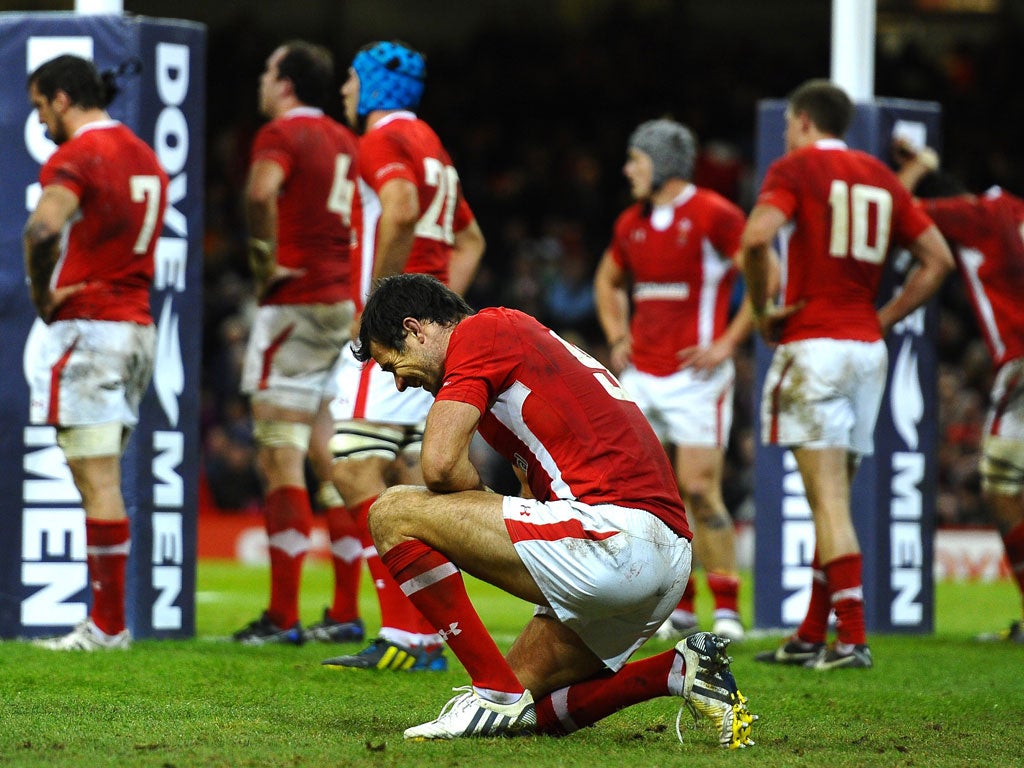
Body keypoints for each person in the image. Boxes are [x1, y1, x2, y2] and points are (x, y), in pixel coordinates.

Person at [350, 272, 756, 746]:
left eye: (391, 362)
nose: (399, 383)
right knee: (526, 713)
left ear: (417, 328)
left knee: (393, 510)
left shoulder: (481, 332)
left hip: (614, 538)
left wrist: (468, 503)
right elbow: (530, 491)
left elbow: (438, 467)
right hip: (666, 556)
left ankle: (491, 690)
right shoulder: (525, 349)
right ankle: (677, 669)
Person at [742, 79, 954, 670]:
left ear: (804, 120)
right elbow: (939, 259)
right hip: (866, 351)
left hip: (814, 347)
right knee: (831, 500)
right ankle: (812, 633)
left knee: (828, 501)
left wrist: (762, 310)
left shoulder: (794, 168)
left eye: (789, 122)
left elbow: (756, 237)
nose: (786, 132)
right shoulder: (881, 177)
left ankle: (852, 639)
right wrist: (882, 316)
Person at [323, 40, 485, 671]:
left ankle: (408, 635)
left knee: (354, 467)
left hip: (395, 332)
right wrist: (448, 315)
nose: (345, 90)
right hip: (430, 332)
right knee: (413, 478)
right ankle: (432, 634)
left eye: (351, 78)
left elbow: (400, 209)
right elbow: (470, 238)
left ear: (373, 86)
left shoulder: (381, 140)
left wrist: (380, 307)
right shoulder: (432, 146)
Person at [23, 55, 168, 650]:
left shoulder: (78, 154)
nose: (42, 122)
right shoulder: (144, 153)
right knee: (103, 478)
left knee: (96, 480)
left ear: (61, 98)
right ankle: (108, 623)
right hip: (136, 327)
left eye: (39, 107)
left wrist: (42, 293)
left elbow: (42, 228)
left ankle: (107, 627)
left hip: (90, 328)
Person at [594, 118, 752, 643]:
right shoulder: (630, 223)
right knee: (646, 494)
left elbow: (764, 273)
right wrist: (618, 336)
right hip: (643, 376)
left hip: (697, 378)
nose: (628, 170)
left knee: (701, 489)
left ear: (661, 163)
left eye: (636, 159)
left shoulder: (715, 214)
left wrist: (728, 342)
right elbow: (607, 280)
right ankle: (680, 606)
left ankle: (726, 608)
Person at [232, 40, 363, 646]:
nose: (260, 80)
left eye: (265, 69)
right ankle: (343, 611)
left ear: (285, 83)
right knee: (329, 460)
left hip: (295, 303)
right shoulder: (346, 140)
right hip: (342, 306)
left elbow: (261, 193)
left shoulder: (282, 134)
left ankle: (282, 616)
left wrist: (266, 262)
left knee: (276, 453)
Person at [894, 144, 1024, 644]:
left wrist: (916, 168)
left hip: (1019, 360)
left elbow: (890, 209)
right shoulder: (1010, 206)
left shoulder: (971, 216)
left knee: (999, 485)